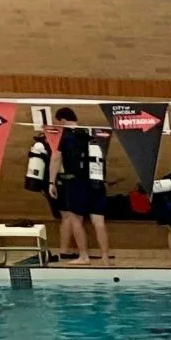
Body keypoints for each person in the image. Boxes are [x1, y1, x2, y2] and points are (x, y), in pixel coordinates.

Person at [47, 108, 111, 263]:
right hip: (97, 183)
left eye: (57, 123)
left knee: (76, 219)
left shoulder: (65, 137)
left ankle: (84, 256)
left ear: (62, 120)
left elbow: (56, 158)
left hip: (76, 183)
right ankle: (105, 257)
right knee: (99, 222)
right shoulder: (90, 136)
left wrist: (51, 181)